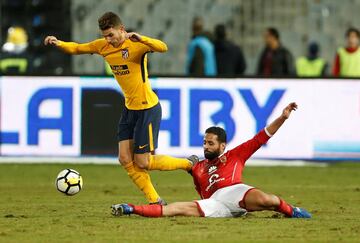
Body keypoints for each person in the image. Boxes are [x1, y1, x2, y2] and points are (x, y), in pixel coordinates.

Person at [44, 12, 197, 205]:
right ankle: (155, 200)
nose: (108, 39)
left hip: (147, 108)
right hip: (129, 109)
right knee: (125, 158)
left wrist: (143, 38)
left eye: (111, 35)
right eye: (105, 36)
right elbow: (77, 48)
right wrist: (59, 43)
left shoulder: (136, 44)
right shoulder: (103, 46)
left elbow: (163, 47)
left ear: (121, 30)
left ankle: (188, 163)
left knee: (143, 162)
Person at [111, 102, 312, 219]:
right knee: (176, 209)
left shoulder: (236, 155)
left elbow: (263, 135)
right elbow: (168, 163)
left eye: (210, 143)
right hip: (214, 203)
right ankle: (130, 208)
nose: (205, 147)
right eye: (204, 143)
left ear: (222, 146)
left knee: (268, 200)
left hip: (235, 191)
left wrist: (283, 118)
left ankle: (291, 211)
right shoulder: (197, 165)